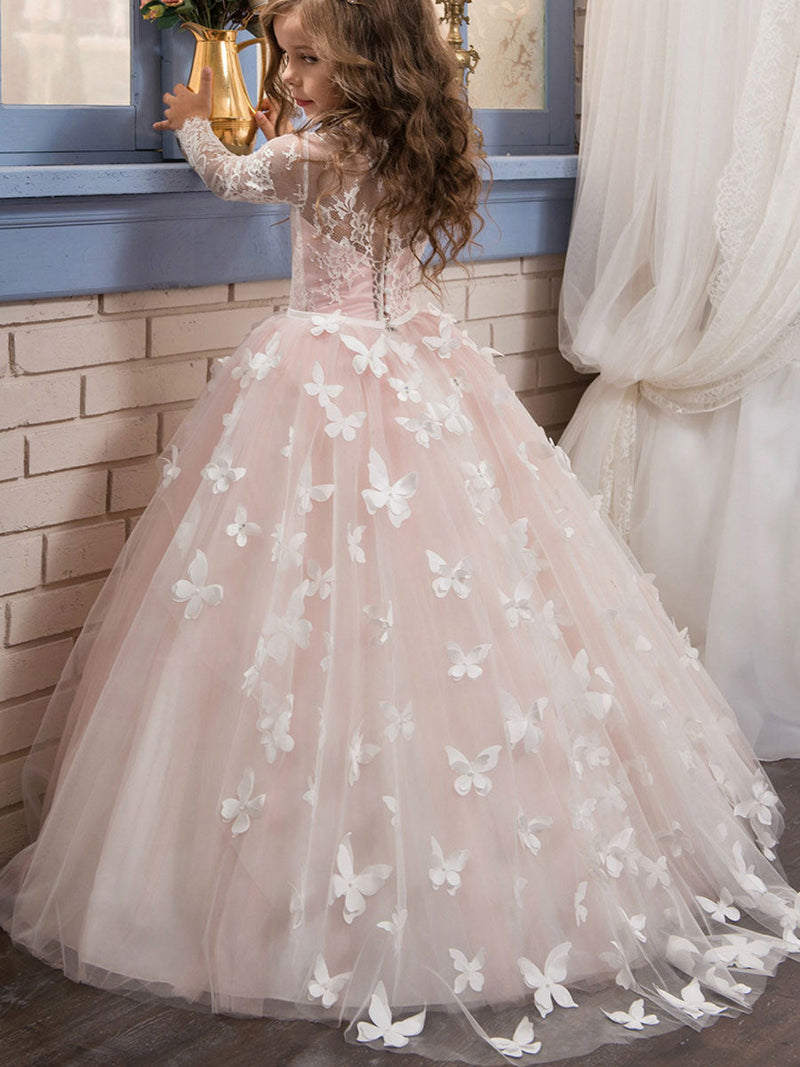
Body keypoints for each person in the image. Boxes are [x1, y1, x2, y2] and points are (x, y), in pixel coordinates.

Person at [1, 1, 797, 1063]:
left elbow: (232, 179)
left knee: (317, 610)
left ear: (365, 61)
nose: (290, 78)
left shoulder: (320, 154)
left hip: (322, 373)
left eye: (306, 60)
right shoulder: (414, 142)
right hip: (415, 360)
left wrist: (194, 119)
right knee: (438, 607)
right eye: (283, 58)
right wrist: (271, 115)